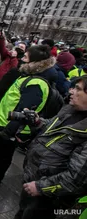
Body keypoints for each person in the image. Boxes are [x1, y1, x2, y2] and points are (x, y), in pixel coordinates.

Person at [0, 45, 58, 191]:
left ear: (35, 62)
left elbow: (24, 112)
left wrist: (8, 133)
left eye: (26, 57)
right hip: (5, 126)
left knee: (1, 158)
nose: (22, 59)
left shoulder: (36, 83)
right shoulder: (30, 77)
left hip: (10, 130)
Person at [15, 75, 87, 219]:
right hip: (33, 180)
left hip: (51, 197)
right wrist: (36, 121)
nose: (71, 91)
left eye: (78, 89)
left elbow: (75, 179)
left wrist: (41, 188)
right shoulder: (70, 109)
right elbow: (50, 128)